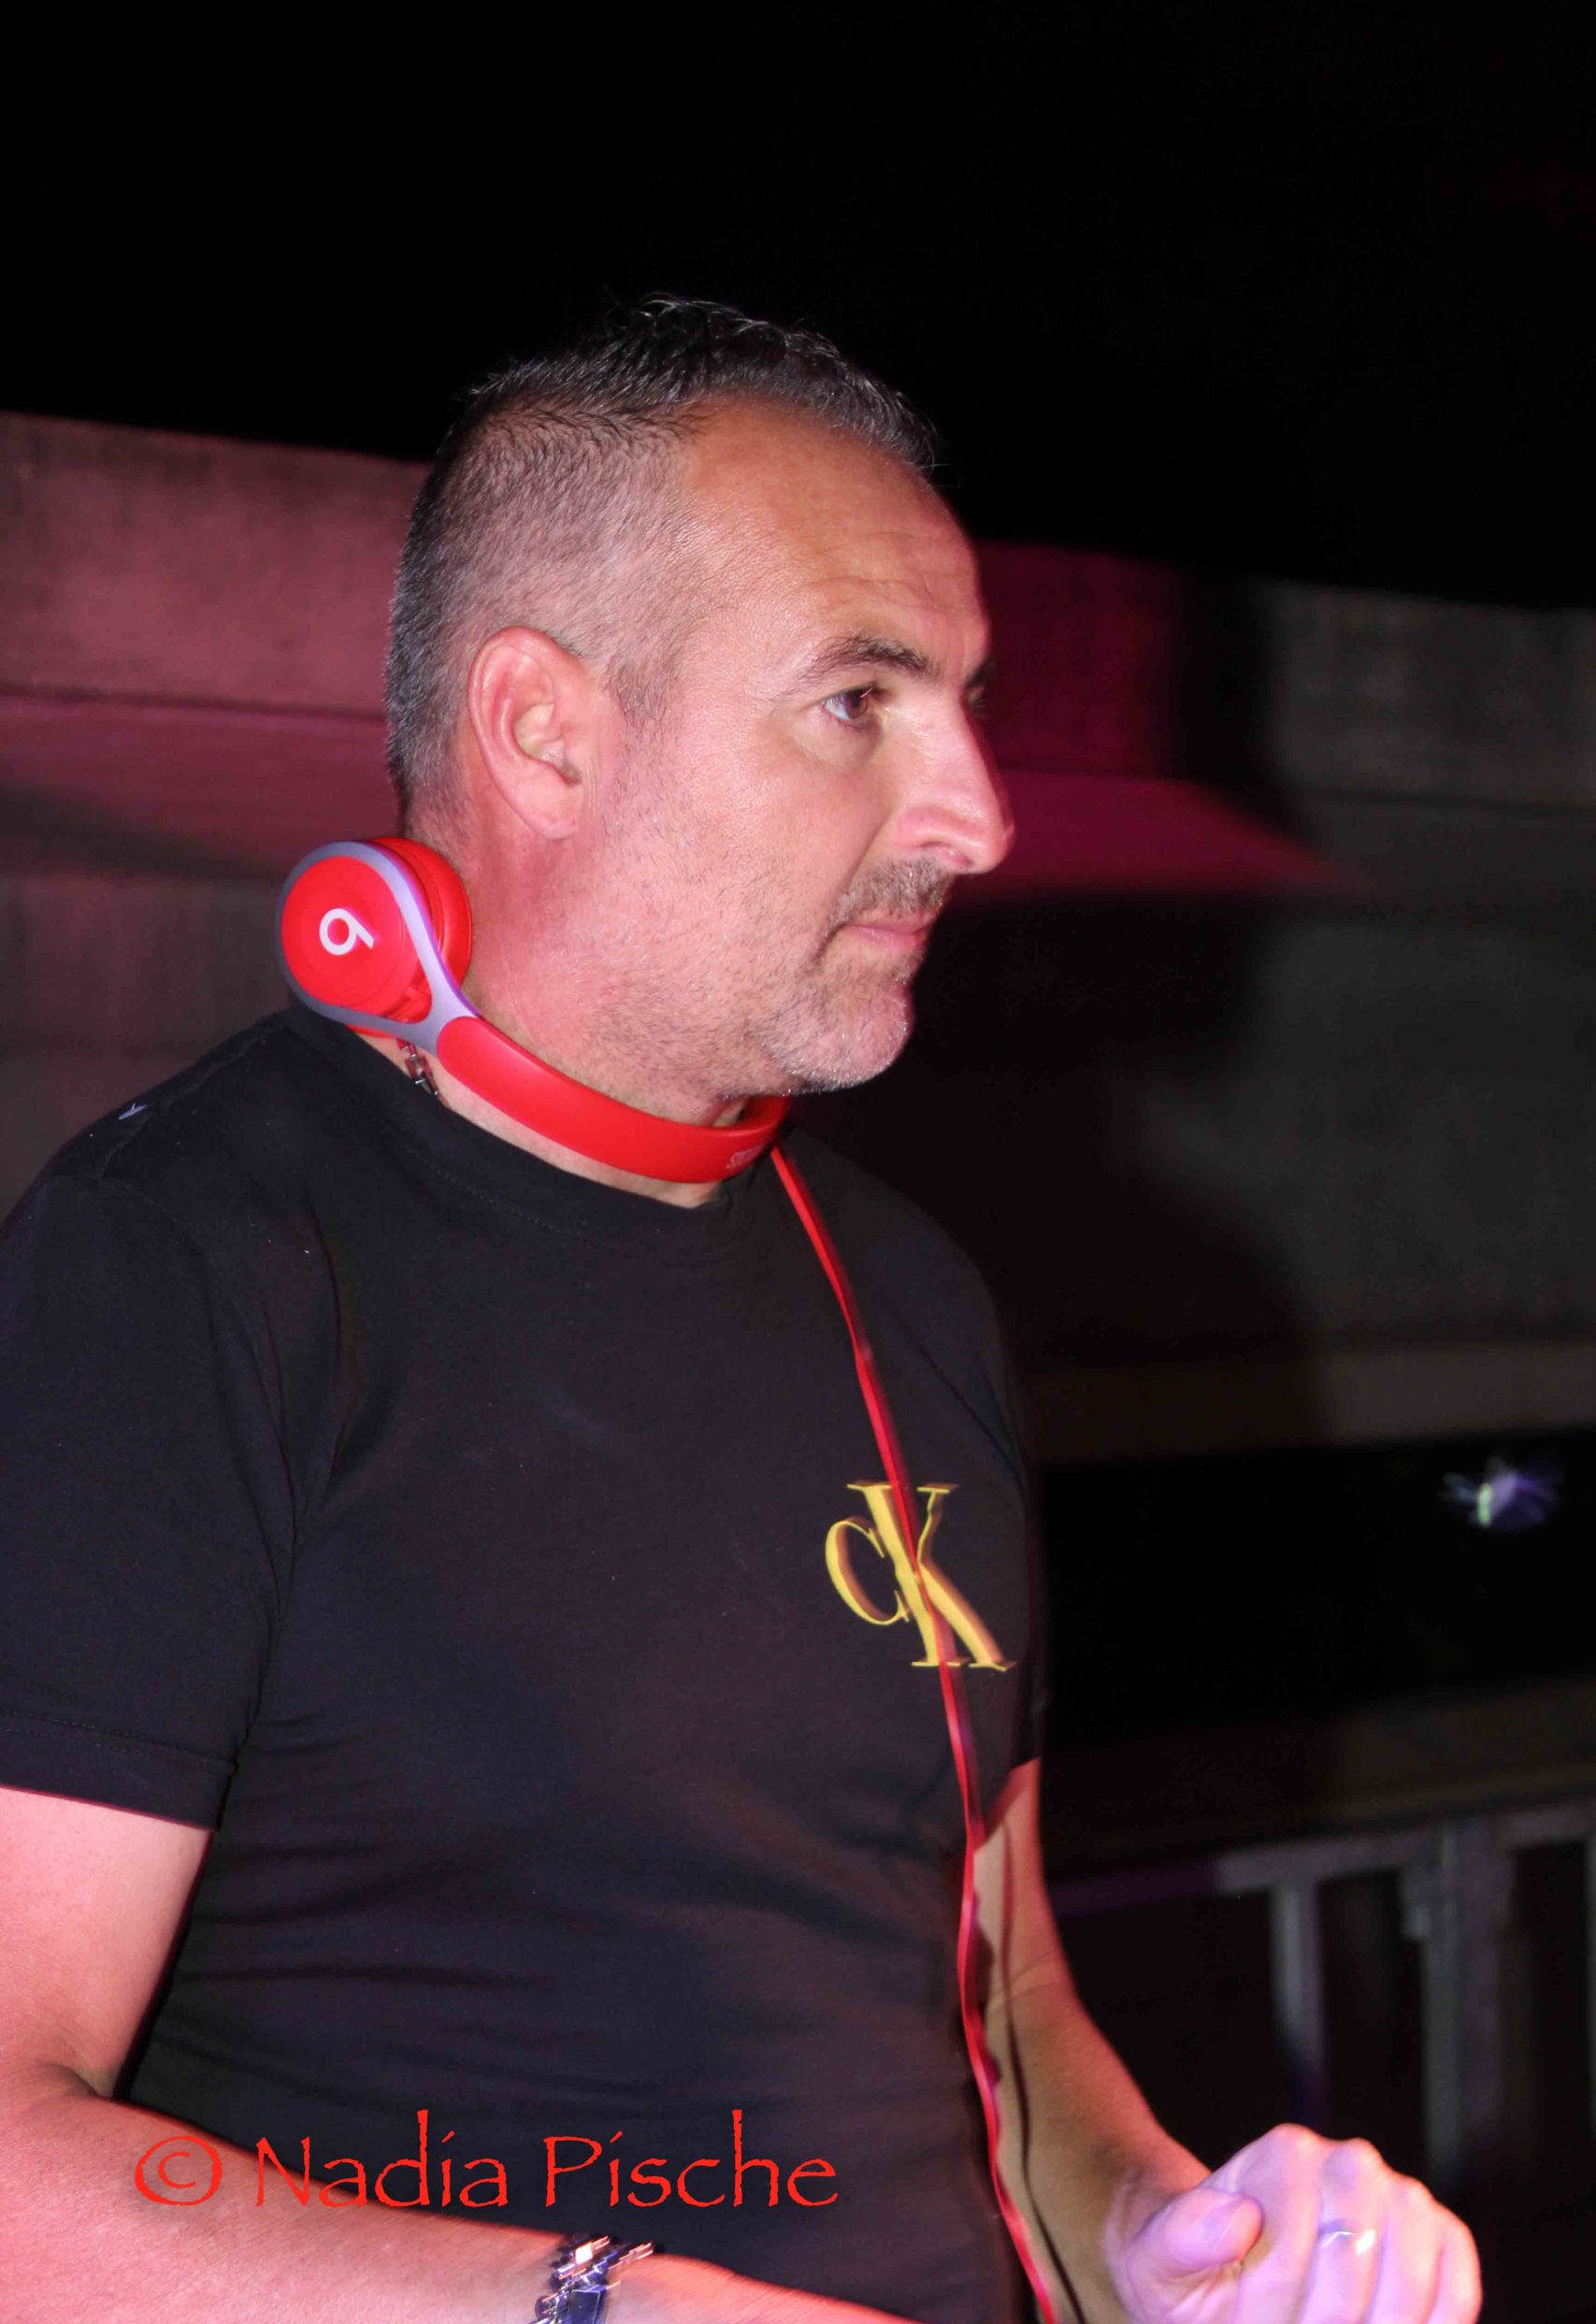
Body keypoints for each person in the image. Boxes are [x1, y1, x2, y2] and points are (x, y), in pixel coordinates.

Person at [0, 301, 1478, 2324]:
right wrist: (598, 2299)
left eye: (963, 703)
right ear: (545, 728)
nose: (977, 813)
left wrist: (1173, 2235)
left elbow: (996, 2011)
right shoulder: (181, 1259)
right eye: (858, 700)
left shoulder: (909, 1289)